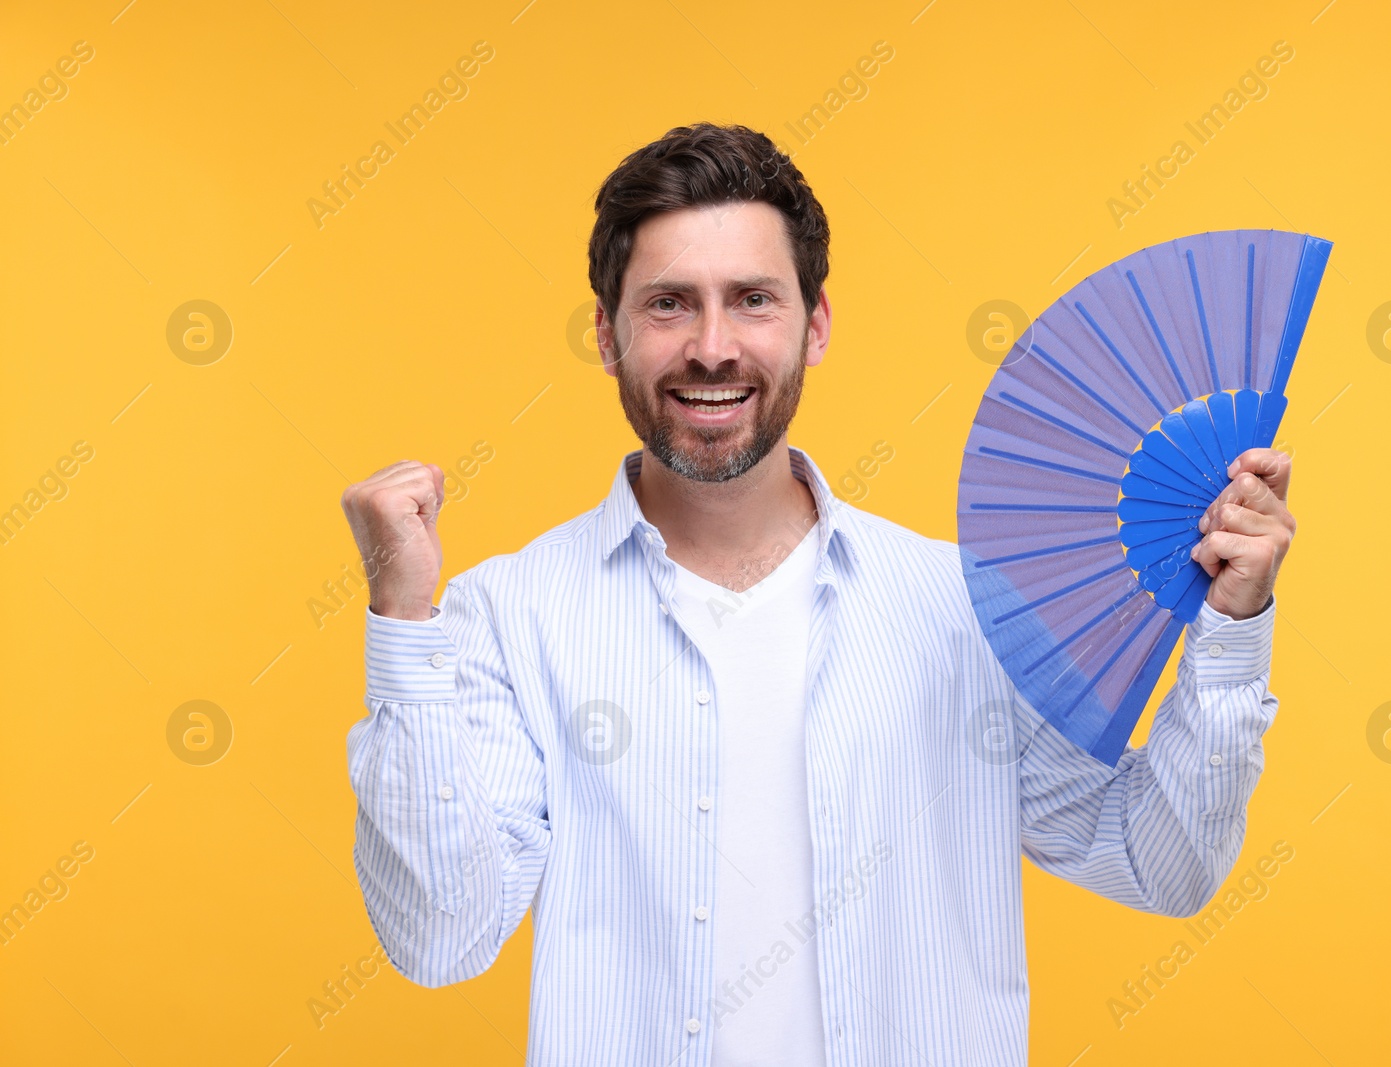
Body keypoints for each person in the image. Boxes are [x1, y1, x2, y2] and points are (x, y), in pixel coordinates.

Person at [340, 122, 1294, 1067]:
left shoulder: (958, 608)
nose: (712, 348)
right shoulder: (506, 619)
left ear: (817, 324)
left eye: (752, 299)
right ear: (605, 332)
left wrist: (1232, 629)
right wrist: (402, 623)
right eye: (669, 304)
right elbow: (441, 936)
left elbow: (1157, 863)